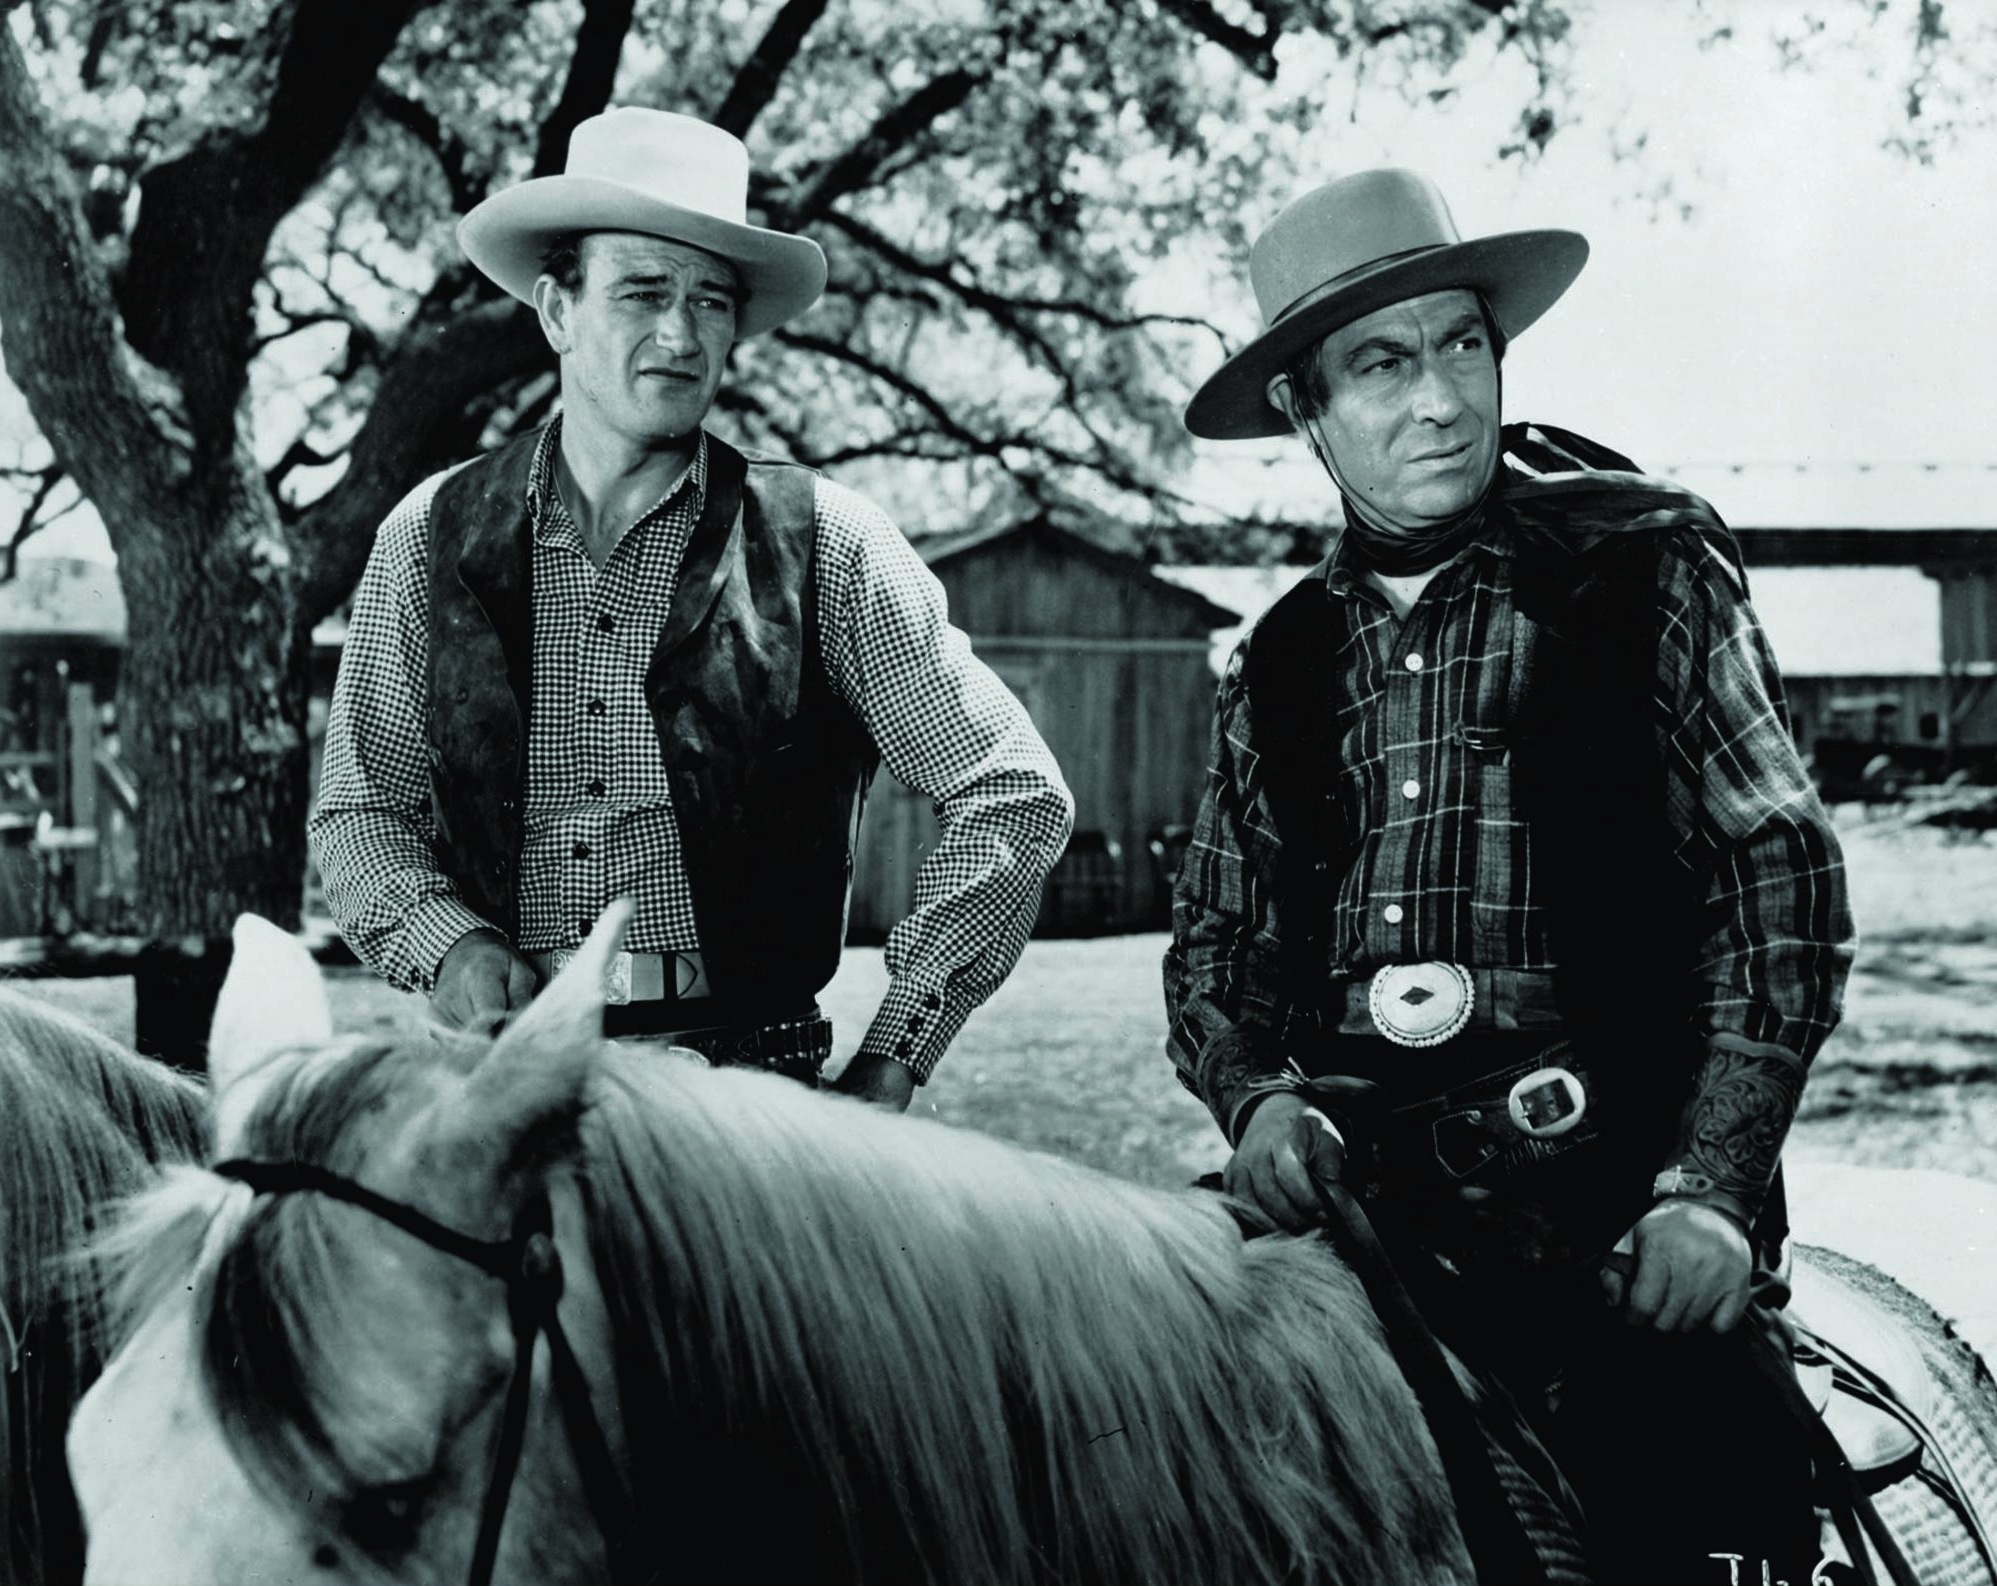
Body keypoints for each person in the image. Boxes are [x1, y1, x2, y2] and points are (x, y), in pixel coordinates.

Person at [1164, 168, 1855, 1581]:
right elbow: (1216, 952)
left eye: (1461, 345)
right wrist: (1258, 1096)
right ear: (1302, 405)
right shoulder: (1276, 660)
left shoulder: (1641, 572)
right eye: (1381, 363)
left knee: (1686, 1503)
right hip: (1362, 1212)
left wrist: (1709, 1187)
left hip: (1613, 1200)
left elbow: (1776, 885)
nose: (1440, 399)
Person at [311, 107, 1073, 1110]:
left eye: (710, 301)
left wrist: (894, 1054)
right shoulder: (428, 534)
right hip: (491, 1091)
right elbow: (359, 812)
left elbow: (1013, 791)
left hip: (748, 1095)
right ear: (556, 311)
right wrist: (449, 946)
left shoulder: (824, 541)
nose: (679, 334)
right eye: (642, 292)